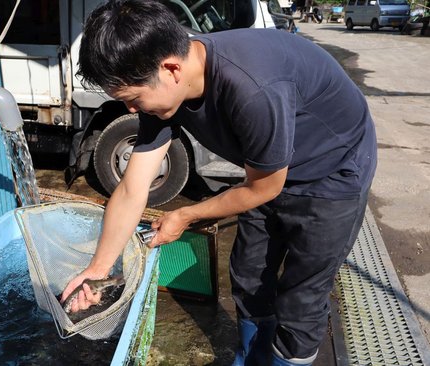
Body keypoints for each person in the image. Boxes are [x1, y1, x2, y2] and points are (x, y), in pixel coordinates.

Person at [61, 0, 377, 365]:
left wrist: (186, 216)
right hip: (268, 169)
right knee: (248, 272)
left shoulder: (252, 87)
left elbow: (264, 189)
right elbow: (133, 188)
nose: (132, 111)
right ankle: (250, 356)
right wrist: (98, 270)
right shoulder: (164, 90)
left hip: (332, 171)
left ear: (171, 69)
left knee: (301, 299)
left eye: (133, 100)